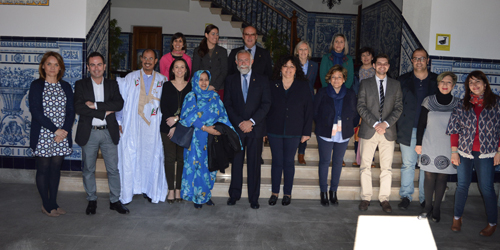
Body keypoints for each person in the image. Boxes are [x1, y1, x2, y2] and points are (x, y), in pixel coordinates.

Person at [447, 70, 500, 237]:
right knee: (462, 185)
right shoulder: (463, 104)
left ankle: (492, 223)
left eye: (478, 81)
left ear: (485, 84)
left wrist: (499, 151)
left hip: (487, 152)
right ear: (467, 87)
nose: (474, 85)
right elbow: (454, 129)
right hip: (464, 151)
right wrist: (454, 152)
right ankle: (457, 217)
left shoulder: (496, 103)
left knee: (486, 188)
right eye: (471, 82)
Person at [74, 52, 129, 215]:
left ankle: (115, 201)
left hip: (108, 132)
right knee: (88, 169)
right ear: (88, 67)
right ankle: (91, 199)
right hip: (88, 132)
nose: (96, 68)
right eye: (92, 65)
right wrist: (104, 112)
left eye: (99, 64)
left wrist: (96, 106)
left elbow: (119, 103)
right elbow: (79, 107)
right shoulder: (80, 85)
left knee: (113, 169)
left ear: (104, 67)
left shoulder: (112, 85)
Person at [176, 70, 236, 209]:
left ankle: (206, 194)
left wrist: (223, 130)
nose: (203, 83)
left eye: (206, 79)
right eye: (200, 80)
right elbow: (188, 116)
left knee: (209, 168)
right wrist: (204, 127)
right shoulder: (191, 96)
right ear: (195, 81)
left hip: (212, 139)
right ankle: (197, 198)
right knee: (195, 167)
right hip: (195, 139)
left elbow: (223, 115)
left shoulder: (215, 96)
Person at [116, 49, 168, 204]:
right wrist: (119, 121)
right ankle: (132, 189)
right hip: (133, 125)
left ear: (156, 61)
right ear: (140, 59)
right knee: (132, 155)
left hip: (153, 128)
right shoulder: (130, 78)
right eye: (145, 58)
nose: (147, 61)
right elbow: (121, 100)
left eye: (151, 58)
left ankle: (149, 190)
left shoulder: (162, 80)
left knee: (152, 156)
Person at [29, 51, 75, 217]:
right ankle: (46, 205)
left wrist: (63, 132)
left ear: (60, 67)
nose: (53, 67)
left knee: (56, 169)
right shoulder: (36, 85)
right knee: (43, 169)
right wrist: (55, 130)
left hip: (61, 135)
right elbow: (36, 111)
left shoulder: (66, 86)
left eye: (56, 64)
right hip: (43, 134)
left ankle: (54, 203)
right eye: (49, 64)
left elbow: (71, 111)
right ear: (43, 66)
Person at [224, 50, 271, 209]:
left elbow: (266, 104)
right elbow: (228, 105)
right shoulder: (230, 80)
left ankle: (254, 198)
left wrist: (251, 122)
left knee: (254, 164)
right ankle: (234, 195)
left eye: (246, 60)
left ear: (251, 62)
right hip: (237, 130)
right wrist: (240, 123)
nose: (243, 63)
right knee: (236, 163)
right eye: (240, 60)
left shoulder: (263, 80)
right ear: (236, 63)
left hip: (255, 129)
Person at [357, 54, 403, 213]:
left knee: (386, 168)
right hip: (369, 129)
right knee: (365, 166)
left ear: (388, 66)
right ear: (374, 65)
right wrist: (376, 123)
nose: (382, 66)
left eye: (385, 64)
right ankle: (366, 197)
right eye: (379, 64)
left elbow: (398, 108)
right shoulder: (365, 83)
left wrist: (386, 123)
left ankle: (384, 198)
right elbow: (361, 106)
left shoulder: (396, 85)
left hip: (388, 131)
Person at [267, 55, 313, 206]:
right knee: (277, 162)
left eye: (292, 66)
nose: (288, 69)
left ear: (296, 69)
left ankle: (287, 193)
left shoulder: (303, 86)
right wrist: (264, 131)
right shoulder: (272, 84)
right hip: (274, 129)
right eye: (285, 66)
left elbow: (308, 110)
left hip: (294, 130)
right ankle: (274, 193)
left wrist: (306, 132)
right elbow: (266, 108)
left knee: (288, 162)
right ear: (280, 68)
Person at [396, 48, 438, 210]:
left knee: (425, 165)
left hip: (430, 130)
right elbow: (397, 104)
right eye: (416, 58)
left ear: (428, 60)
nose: (419, 61)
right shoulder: (402, 80)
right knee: (408, 164)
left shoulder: (436, 80)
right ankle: (406, 196)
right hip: (409, 128)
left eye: (422, 58)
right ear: (412, 61)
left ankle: (424, 197)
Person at [415, 72, 460, 222]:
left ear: (453, 86)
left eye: (449, 83)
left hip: (448, 146)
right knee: (428, 176)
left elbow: (461, 127)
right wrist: (419, 143)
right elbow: (421, 124)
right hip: (430, 143)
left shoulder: (458, 104)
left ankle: (437, 208)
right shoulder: (428, 101)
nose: (445, 85)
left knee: (442, 178)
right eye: (442, 82)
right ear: (438, 84)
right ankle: (427, 207)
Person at [314, 65, 359, 206]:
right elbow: (315, 112)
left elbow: (355, 113)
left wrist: (349, 125)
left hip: (343, 132)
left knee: (338, 162)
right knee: (324, 161)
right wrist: (323, 123)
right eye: (333, 77)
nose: (336, 80)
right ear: (329, 79)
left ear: (344, 79)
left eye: (339, 77)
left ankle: (334, 192)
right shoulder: (322, 92)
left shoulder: (350, 94)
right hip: (325, 132)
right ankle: (323, 192)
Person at [160, 58, 192, 204]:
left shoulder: (191, 87)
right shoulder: (166, 85)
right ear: (172, 70)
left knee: (181, 160)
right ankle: (170, 190)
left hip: (184, 128)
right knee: (169, 158)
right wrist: (171, 125)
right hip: (167, 127)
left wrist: (177, 120)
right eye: (176, 67)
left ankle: (178, 189)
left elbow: (192, 109)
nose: (179, 70)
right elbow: (164, 106)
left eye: (182, 67)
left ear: (186, 70)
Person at [294, 41, 318, 165]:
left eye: (306, 49)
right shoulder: (292, 64)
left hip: (309, 100)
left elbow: (313, 82)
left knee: (306, 127)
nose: (303, 52)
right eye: (301, 49)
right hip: (295, 100)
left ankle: (301, 153)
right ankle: (292, 150)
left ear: (309, 51)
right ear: (297, 51)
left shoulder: (314, 65)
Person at [353, 47, 376, 167]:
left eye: (368, 55)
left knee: (371, 133)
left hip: (373, 106)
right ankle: (358, 159)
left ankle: (370, 159)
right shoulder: (356, 72)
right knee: (358, 132)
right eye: (363, 55)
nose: (366, 58)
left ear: (372, 57)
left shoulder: (377, 71)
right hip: (358, 104)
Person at [192, 24, 228, 93]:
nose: (216, 36)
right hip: (202, 88)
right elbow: (195, 71)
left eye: (217, 34)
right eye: (213, 34)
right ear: (206, 35)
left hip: (218, 88)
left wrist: (214, 86)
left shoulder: (222, 51)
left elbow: (224, 71)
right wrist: (203, 85)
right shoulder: (198, 51)